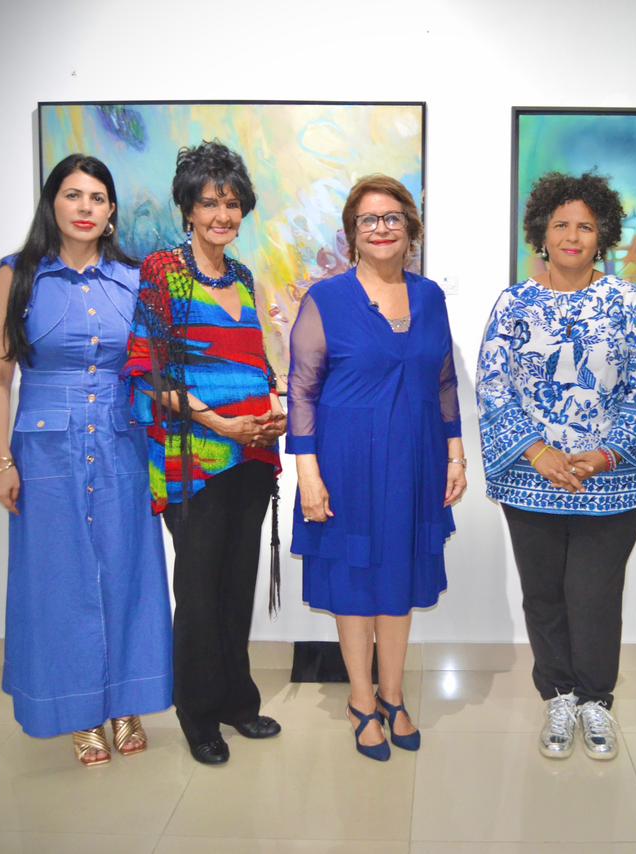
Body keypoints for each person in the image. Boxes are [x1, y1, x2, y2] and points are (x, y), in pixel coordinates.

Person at [0, 154, 172, 767]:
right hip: (45, 448)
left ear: (111, 211)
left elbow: (155, 368)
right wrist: (1, 461)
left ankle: (125, 702)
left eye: (97, 197)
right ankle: (78, 712)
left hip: (122, 440)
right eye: (73, 195)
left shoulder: (135, 279)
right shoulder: (17, 275)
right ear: (52, 203)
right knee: (57, 578)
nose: (85, 207)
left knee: (130, 571)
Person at [476, 171, 636, 761]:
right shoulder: (513, 304)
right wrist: (539, 453)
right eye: (561, 225)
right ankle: (558, 695)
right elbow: (492, 385)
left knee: (595, 595)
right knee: (544, 596)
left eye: (585, 226)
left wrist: (605, 454)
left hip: (610, 482)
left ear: (602, 235)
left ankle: (596, 700)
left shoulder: (628, 301)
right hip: (530, 480)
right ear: (542, 233)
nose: (572, 236)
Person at [287, 174, 466, 761]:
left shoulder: (431, 297)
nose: (382, 228)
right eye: (369, 219)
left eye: (393, 218)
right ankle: (361, 701)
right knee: (354, 581)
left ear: (411, 229)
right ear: (352, 233)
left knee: (400, 578)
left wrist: (456, 454)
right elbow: (302, 390)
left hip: (416, 459)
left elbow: (444, 382)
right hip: (346, 463)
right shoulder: (326, 300)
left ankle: (393, 694)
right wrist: (308, 474)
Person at [123, 140, 285, 767]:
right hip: (195, 459)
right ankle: (196, 714)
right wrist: (221, 423)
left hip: (251, 457)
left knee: (236, 586)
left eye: (232, 203)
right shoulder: (163, 271)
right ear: (187, 208)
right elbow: (150, 371)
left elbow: (255, 363)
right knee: (197, 591)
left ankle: (237, 701)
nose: (223, 214)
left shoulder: (241, 277)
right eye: (210, 202)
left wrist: (269, 413)